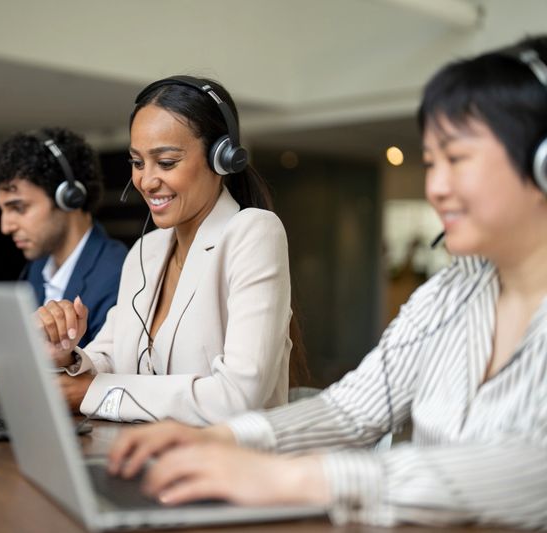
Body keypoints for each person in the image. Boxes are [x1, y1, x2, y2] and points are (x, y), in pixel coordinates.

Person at [106, 36, 547, 530]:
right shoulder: (451, 294)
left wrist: (299, 480)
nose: (436, 187)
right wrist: (222, 440)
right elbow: (352, 411)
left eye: (458, 159)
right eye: (431, 162)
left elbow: (532, 467)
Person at [36, 75, 305, 425]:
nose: (146, 181)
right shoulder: (145, 251)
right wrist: (67, 358)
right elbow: (110, 357)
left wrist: (92, 393)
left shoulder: (252, 233)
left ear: (221, 159)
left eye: (166, 162)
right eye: (137, 162)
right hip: (143, 456)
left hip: (229, 468)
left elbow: (238, 397)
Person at [0, 127, 127, 373]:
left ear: (68, 198)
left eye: (18, 208)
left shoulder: (118, 273)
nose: (5, 226)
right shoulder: (40, 267)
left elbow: (109, 371)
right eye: (3, 210)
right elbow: (2, 343)